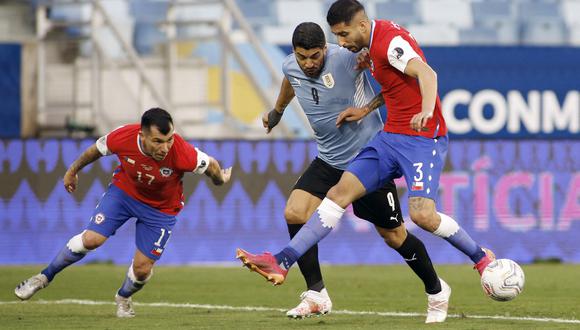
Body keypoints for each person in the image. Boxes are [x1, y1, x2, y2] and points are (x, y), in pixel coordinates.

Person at [237, 0, 497, 321]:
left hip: (421, 139)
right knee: (327, 199)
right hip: (380, 140)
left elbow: (426, 73)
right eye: (337, 36)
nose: (341, 43)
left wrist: (427, 110)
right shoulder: (364, 48)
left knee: (413, 222)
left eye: (343, 35)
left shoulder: (381, 45)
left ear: (360, 26)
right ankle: (286, 262)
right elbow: (389, 85)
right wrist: (282, 113)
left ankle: (473, 263)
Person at [14, 108, 232, 318]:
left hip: (161, 209)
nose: (165, 148)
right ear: (142, 136)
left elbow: (211, 164)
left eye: (169, 140)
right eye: (158, 141)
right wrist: (72, 171)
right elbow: (94, 151)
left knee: (142, 270)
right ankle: (43, 277)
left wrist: (220, 179)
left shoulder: (182, 153)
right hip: (124, 194)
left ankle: (123, 297)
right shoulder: (123, 137)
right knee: (91, 239)